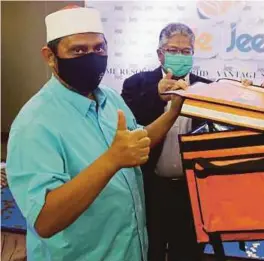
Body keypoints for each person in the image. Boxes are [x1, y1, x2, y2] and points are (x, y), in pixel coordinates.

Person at [6, 6, 184, 261]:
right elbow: (45, 220)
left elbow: (136, 142)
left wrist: (172, 112)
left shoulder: (109, 98)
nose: (92, 57)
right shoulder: (34, 124)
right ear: (50, 56)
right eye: (78, 50)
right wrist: (112, 160)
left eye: (99, 48)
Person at [121, 23, 208, 261]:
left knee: (188, 252)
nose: (179, 56)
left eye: (185, 51)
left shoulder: (206, 88)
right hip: (151, 189)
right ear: (160, 54)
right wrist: (156, 97)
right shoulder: (136, 85)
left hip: (192, 191)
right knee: (151, 250)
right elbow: (128, 130)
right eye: (173, 50)